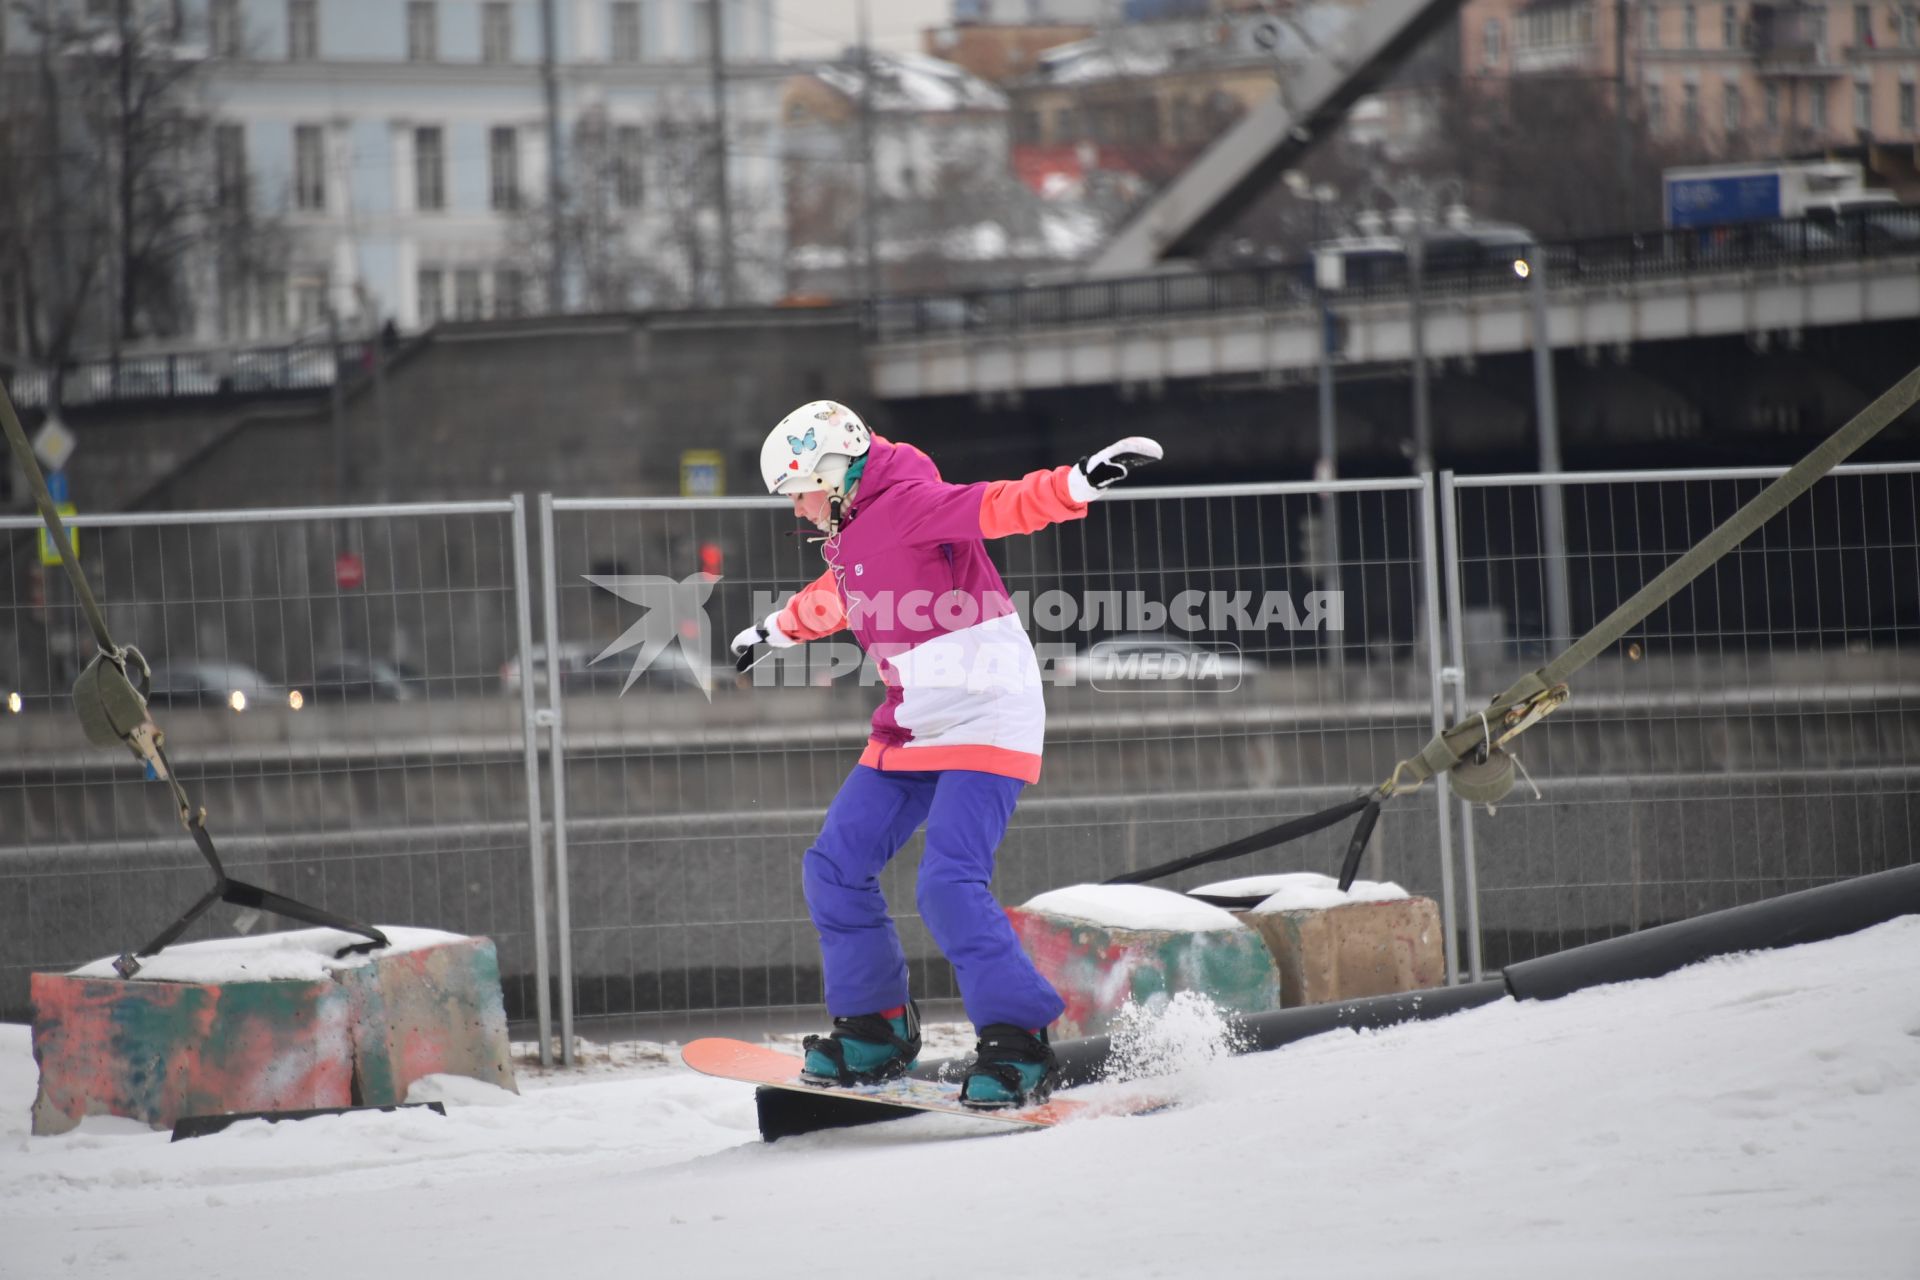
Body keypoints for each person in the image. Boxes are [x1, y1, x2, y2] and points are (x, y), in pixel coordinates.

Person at [731, 400, 1161, 1108]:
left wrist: (1078, 483)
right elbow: (838, 596)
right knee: (834, 868)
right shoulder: (852, 533)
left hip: (988, 711)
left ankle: (1017, 1043)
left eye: (801, 494)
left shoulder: (911, 503)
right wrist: (772, 631)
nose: (802, 514)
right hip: (913, 721)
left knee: (947, 884)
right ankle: (875, 1029)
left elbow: (999, 507)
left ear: (834, 473)